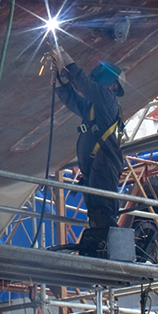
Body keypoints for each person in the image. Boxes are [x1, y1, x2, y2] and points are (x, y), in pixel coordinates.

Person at [47, 46, 125, 234]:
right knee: (96, 211)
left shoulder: (106, 98)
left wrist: (67, 61)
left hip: (105, 161)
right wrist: (59, 80)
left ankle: (106, 245)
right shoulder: (93, 107)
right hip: (96, 162)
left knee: (102, 208)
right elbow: (73, 98)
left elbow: (83, 84)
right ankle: (99, 243)